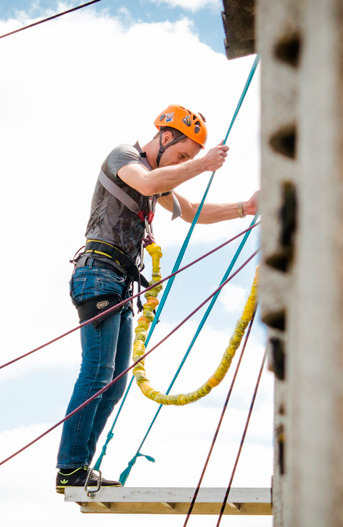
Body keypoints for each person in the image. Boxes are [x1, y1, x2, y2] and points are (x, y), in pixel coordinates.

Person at [55, 105, 258, 493]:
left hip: (118, 281)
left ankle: (79, 467)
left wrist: (245, 209)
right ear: (165, 138)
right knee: (97, 372)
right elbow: (146, 185)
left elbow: (192, 211)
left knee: (114, 383)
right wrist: (201, 166)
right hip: (98, 273)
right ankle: (70, 468)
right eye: (183, 155)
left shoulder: (157, 175)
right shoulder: (125, 157)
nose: (185, 162)